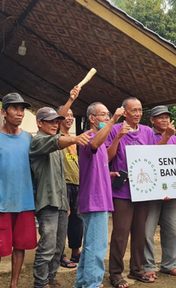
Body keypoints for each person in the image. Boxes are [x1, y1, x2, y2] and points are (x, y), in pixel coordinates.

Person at [106, 97, 175, 287]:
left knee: (140, 232)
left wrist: (167, 136)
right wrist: (118, 136)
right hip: (122, 192)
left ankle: (137, 270)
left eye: (139, 110)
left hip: (143, 190)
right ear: (124, 112)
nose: (137, 114)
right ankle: (116, 273)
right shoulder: (114, 129)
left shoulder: (146, 131)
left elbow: (154, 154)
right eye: (133, 110)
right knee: (120, 233)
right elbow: (107, 157)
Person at [30, 92, 92, 288]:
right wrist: (74, 140)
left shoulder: (56, 143)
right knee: (47, 246)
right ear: (39, 123)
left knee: (58, 247)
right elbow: (57, 140)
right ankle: (40, 284)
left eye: (57, 121)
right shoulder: (38, 141)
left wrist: (65, 203)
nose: (54, 124)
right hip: (47, 202)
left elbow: (60, 175)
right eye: (50, 121)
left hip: (60, 201)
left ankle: (50, 278)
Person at [0, 93, 38, 288]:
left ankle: (14, 284)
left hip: (24, 202)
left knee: (20, 246)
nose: (19, 113)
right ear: (4, 112)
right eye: (15, 108)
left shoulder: (28, 138)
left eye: (22, 109)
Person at [74, 102, 124, 288]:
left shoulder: (101, 140)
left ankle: (81, 283)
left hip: (100, 198)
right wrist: (114, 120)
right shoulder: (88, 137)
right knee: (97, 247)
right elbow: (94, 144)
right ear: (92, 118)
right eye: (102, 115)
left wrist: (108, 173)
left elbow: (103, 159)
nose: (105, 117)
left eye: (107, 114)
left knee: (90, 247)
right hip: (94, 200)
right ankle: (92, 284)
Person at [143, 106, 176, 280]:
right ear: (152, 120)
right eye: (160, 117)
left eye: (167, 117)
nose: (165, 120)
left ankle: (169, 265)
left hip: (170, 193)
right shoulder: (146, 135)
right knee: (147, 231)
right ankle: (148, 266)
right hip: (151, 192)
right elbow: (148, 158)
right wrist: (166, 136)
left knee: (172, 230)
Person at [56, 96, 82, 269]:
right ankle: (60, 254)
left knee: (77, 220)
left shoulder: (73, 139)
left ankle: (75, 251)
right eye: (67, 115)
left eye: (72, 115)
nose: (70, 118)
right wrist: (70, 101)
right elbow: (60, 115)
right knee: (63, 220)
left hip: (77, 184)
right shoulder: (57, 136)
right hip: (63, 184)